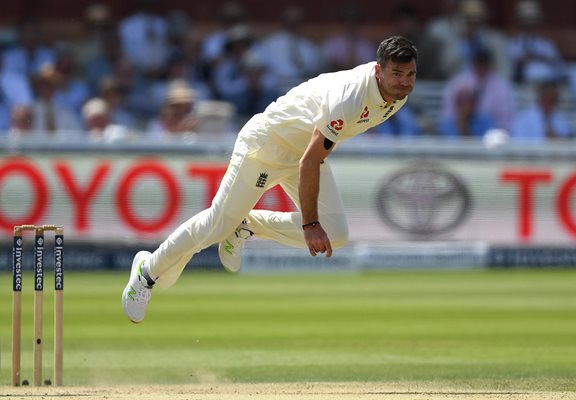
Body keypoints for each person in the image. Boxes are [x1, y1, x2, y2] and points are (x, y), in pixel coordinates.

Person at [122, 35, 418, 323]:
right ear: (378, 71)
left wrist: (314, 223)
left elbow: (312, 154)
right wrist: (310, 224)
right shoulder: (351, 96)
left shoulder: (397, 98)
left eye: (410, 75)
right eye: (397, 74)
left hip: (303, 152)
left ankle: (247, 226)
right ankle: (146, 272)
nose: (404, 82)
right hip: (266, 146)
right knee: (218, 223)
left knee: (336, 234)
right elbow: (311, 161)